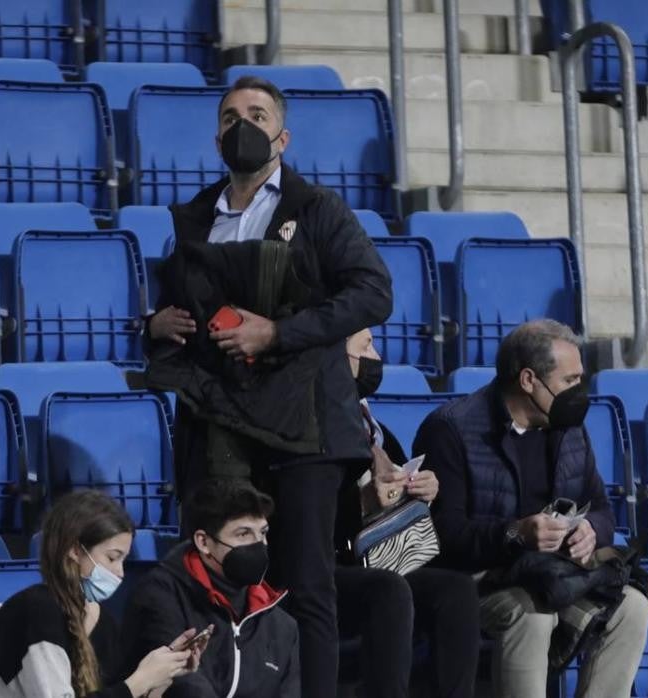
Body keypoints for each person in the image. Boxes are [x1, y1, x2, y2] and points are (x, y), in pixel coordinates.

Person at [148, 75, 392, 696]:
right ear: (217, 139)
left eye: (256, 115)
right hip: (225, 422)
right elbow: (183, 308)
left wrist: (277, 333)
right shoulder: (196, 217)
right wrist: (156, 322)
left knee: (307, 586)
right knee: (215, 577)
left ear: (282, 137)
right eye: (230, 118)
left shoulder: (319, 211)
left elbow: (373, 291)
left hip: (307, 423)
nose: (243, 127)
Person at [413, 319, 648, 698]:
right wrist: (516, 533)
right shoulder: (451, 429)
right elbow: (443, 534)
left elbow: (604, 510)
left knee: (632, 605)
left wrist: (590, 529)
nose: (579, 393)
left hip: (553, 574)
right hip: (483, 579)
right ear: (528, 380)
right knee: (532, 616)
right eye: (569, 381)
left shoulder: (569, 428)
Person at [333, 329, 480, 698]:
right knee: (390, 590)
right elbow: (311, 513)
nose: (377, 356)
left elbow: (397, 478)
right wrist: (363, 502)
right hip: (329, 564)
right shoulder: (319, 422)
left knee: (457, 589)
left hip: (381, 556)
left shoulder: (373, 426)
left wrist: (422, 490)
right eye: (365, 347)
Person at [0, 490, 203, 698]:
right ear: (75, 550)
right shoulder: (37, 613)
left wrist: (165, 672)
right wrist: (139, 681)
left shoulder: (104, 622)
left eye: (123, 560)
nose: (120, 572)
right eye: (112, 558)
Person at [121, 478, 299, 697]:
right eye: (243, 534)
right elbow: (182, 685)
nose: (258, 545)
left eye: (262, 533)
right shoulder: (160, 595)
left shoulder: (282, 627)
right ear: (203, 542)